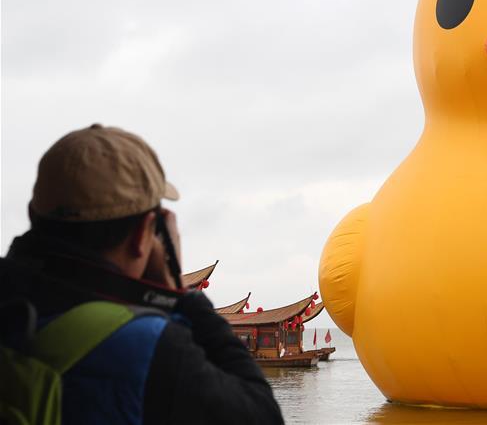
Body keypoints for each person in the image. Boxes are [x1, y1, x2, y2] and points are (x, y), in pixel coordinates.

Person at [0, 124, 284, 424]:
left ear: (34, 214)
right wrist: (181, 294)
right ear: (141, 237)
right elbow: (263, 415)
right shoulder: (147, 348)